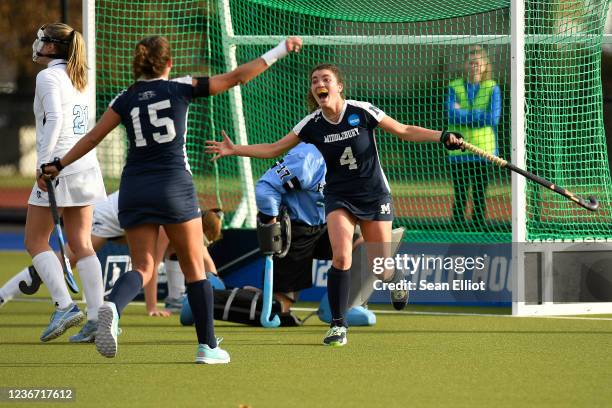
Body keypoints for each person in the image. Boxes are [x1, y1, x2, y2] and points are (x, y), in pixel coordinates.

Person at [42, 34, 303, 363]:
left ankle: (112, 306)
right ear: (168, 63)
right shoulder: (181, 86)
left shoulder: (124, 98)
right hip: (173, 186)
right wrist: (280, 49)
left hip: (134, 188)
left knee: (143, 266)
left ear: (137, 63)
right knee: (195, 269)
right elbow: (236, 77)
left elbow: (93, 137)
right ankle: (207, 347)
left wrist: (58, 165)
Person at [206, 63, 463, 347]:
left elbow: (403, 130)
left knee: (381, 267)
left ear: (339, 86)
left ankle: (395, 277)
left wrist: (441, 135)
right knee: (341, 257)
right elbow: (274, 149)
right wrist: (235, 149)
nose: (319, 84)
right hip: (338, 197)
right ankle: (338, 326)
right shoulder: (311, 125)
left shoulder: (362, 111)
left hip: (374, 195)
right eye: (314, 80)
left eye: (325, 79)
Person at [0, 191, 225, 340]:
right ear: (201, 229)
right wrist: (151, 307)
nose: (202, 244)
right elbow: (153, 267)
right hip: (106, 217)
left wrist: (216, 280)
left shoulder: (190, 212)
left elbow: (202, 255)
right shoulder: (179, 216)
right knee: (62, 260)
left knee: (72, 257)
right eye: (205, 239)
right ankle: (4, 294)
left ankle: (172, 299)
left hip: (123, 211)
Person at [26, 23, 107, 343]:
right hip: (86, 166)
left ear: (55, 47)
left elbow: (55, 120)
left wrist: (43, 165)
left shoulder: (47, 76)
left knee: (34, 240)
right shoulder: (82, 75)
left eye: (43, 41)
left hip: (58, 167)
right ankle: (98, 317)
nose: (38, 45)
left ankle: (64, 306)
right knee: (81, 242)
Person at [446, 46, 501, 229]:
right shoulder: (454, 86)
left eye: (478, 63)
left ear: (485, 65)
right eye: (470, 63)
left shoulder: (492, 87)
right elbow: (450, 115)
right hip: (458, 148)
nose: (474, 66)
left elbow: (493, 117)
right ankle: (456, 229)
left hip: (483, 150)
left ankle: (478, 228)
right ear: (464, 65)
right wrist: (478, 115)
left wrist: (465, 113)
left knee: (479, 194)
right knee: (460, 193)